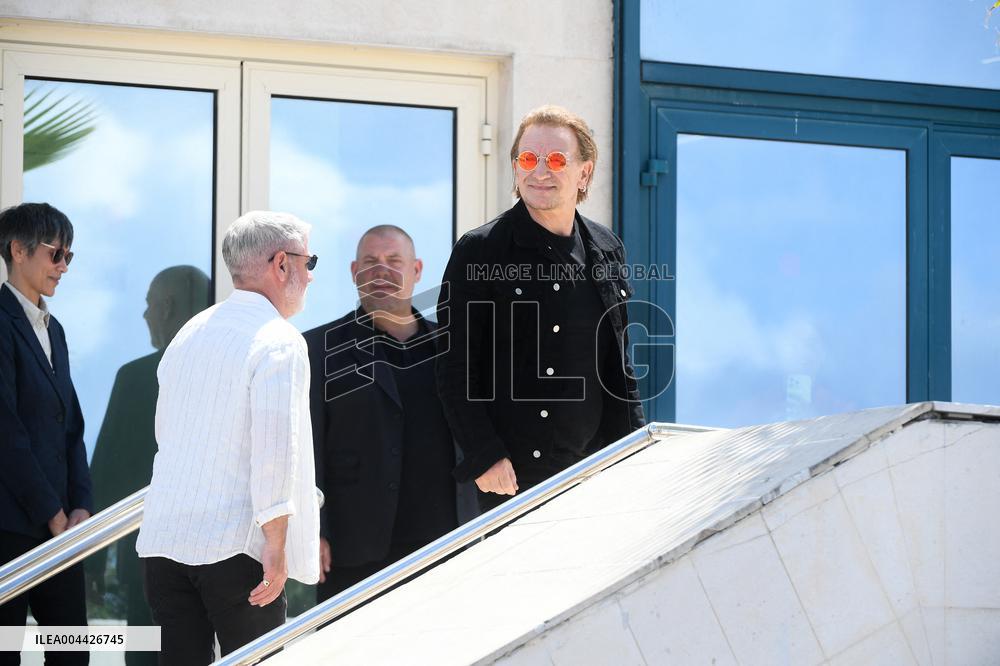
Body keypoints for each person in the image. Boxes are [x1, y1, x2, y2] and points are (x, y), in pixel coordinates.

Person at [436, 105, 646, 512]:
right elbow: (454, 367)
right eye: (528, 159)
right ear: (516, 167)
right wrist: (484, 455)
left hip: (597, 471)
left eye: (556, 160)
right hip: (512, 478)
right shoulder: (480, 250)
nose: (540, 172)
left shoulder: (607, 248)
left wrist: (636, 445)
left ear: (584, 172)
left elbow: (621, 366)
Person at [136, 212, 320, 665]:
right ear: (281, 263)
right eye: (309, 261)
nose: (311, 276)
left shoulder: (188, 332)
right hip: (233, 545)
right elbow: (274, 449)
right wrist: (276, 547)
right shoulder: (279, 339)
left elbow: (167, 435)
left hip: (164, 541)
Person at [303, 225, 476, 602]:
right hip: (354, 550)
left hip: (446, 541)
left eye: (394, 261)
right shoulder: (317, 349)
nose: (381, 270)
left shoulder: (453, 347)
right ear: (353, 272)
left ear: (417, 270)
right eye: (370, 262)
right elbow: (305, 449)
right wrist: (312, 528)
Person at [87, 266, 209, 666]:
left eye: (148, 306)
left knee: (143, 657)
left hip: (144, 559)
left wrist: (88, 564)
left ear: (167, 307)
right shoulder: (228, 377)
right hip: (215, 557)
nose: (143, 316)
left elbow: (104, 477)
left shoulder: (136, 378)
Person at [0, 202, 91, 665]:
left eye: (69, 257)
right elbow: (6, 432)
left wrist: (80, 508)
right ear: (18, 250)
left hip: (59, 532)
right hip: (10, 529)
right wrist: (53, 513)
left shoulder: (54, 330)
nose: (63, 266)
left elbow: (71, 426)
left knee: (74, 653)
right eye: (56, 254)